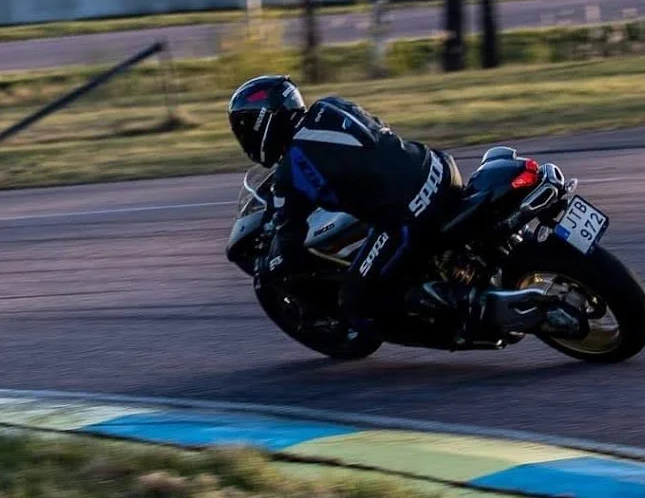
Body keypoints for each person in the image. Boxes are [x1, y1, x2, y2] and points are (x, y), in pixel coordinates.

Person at [227, 74, 586, 342]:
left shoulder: (291, 171)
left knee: (357, 297)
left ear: (262, 124)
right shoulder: (331, 107)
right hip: (440, 170)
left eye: (244, 129)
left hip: (406, 215)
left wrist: (278, 266)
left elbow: (288, 235)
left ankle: (483, 309)